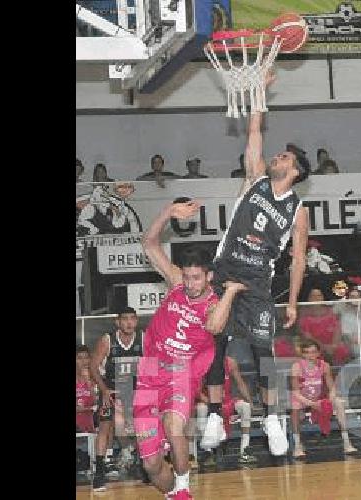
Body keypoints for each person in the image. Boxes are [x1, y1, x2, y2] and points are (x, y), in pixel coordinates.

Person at [201, 71, 312, 458]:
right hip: (227, 267)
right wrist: (260, 94)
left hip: (258, 281)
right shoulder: (255, 180)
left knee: (264, 352)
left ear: (295, 170)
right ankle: (215, 415)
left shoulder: (298, 210)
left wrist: (294, 301)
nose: (277, 157)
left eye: (285, 157)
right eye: (278, 154)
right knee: (215, 343)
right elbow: (254, 136)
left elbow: (298, 260)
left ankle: (271, 419)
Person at [134, 199, 248, 500]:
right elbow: (148, 243)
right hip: (148, 374)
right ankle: (172, 493)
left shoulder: (214, 304)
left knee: (174, 425)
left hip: (180, 373)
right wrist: (167, 213)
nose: (189, 282)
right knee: (151, 464)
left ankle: (184, 486)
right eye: (186, 276)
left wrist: (231, 292)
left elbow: (214, 328)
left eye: (196, 277)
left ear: (209, 276)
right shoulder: (176, 284)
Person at [88, 307, 144, 491]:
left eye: (132, 318)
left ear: (136, 321)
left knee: (145, 426)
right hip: (111, 390)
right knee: (105, 426)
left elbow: (150, 368)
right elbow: (93, 367)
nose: (129, 322)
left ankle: (143, 464)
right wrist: (103, 391)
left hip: (134, 391)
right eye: (125, 318)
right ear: (117, 322)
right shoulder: (107, 340)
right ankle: (99, 472)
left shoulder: (144, 338)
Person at [289, 339, 360, 458]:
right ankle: (298, 446)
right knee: (295, 408)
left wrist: (330, 399)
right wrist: (311, 404)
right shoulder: (297, 367)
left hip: (319, 398)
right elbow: (295, 393)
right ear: (302, 354)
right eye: (307, 352)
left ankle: (347, 443)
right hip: (302, 398)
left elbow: (332, 387)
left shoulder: (324, 366)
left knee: (339, 403)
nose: (310, 355)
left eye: (313, 352)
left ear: (318, 353)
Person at [194, 356, 257, 466]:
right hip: (210, 401)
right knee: (201, 408)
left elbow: (240, 383)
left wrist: (250, 401)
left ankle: (245, 450)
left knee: (246, 407)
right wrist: (211, 403)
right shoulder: (204, 361)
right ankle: (208, 452)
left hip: (228, 400)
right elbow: (197, 389)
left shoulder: (231, 362)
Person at [297, 288, 350, 365]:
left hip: (333, 345)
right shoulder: (304, 315)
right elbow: (307, 336)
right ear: (309, 299)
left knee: (342, 350)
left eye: (319, 296)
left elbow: (337, 329)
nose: (316, 298)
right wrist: (323, 347)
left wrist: (334, 345)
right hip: (315, 346)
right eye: (313, 296)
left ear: (323, 297)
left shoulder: (331, 311)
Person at [76, 346, 97, 434]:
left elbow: (97, 403)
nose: (83, 361)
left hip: (89, 430)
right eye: (80, 358)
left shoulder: (95, 380)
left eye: (86, 358)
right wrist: (89, 408)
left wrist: (88, 380)